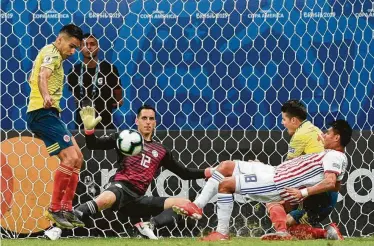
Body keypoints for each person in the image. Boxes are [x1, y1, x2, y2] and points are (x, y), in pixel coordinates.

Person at [173, 120, 352, 241]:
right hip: (274, 172)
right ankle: (197, 205)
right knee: (226, 166)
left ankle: (222, 232)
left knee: (225, 185)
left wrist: (302, 192)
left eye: (328, 133)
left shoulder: (334, 156)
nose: (324, 135)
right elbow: (334, 184)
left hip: (277, 182)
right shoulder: (331, 155)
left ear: (337, 138)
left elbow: (330, 183)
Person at [74, 105, 213, 239]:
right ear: (136, 121)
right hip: (120, 188)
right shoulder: (124, 137)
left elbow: (184, 173)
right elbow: (94, 145)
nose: (148, 122)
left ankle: (149, 226)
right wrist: (89, 130)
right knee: (105, 199)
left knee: (184, 203)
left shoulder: (161, 150)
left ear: (155, 122)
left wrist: (208, 172)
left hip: (138, 199)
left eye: (151, 119)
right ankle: (57, 227)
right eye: (144, 118)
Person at [26, 24, 85, 229]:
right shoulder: (52, 52)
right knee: (70, 158)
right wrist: (45, 95)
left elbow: (33, 76)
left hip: (48, 114)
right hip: (42, 113)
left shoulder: (51, 54)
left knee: (78, 158)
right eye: (71, 46)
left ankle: (66, 208)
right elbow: (43, 76)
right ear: (60, 39)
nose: (72, 52)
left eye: (76, 48)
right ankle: (54, 208)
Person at [262, 99, 339, 240]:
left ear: (294, 120)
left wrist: (260, 169)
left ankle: (282, 231)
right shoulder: (313, 129)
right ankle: (328, 233)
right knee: (291, 225)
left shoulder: (300, 136)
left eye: (284, 119)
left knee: (272, 197)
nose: (282, 123)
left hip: (318, 196)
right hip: (326, 196)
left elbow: (285, 171)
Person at [67, 33, 123, 130]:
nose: (89, 47)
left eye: (92, 44)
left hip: (105, 124)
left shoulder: (109, 69)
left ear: (98, 47)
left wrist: (115, 102)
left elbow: (118, 96)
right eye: (85, 44)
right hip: (82, 125)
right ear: (80, 48)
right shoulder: (73, 72)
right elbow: (74, 95)